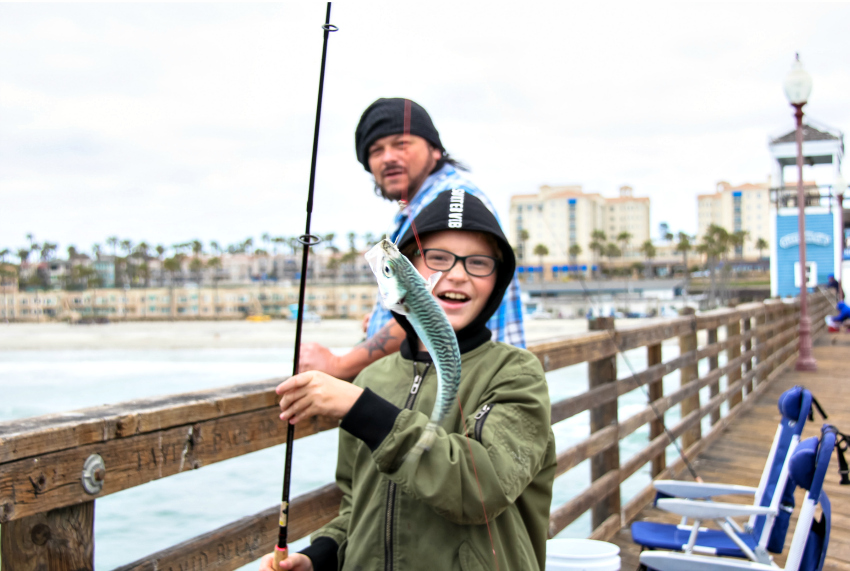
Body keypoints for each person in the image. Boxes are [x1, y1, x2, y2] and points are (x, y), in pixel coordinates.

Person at [260, 190, 556, 571]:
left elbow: (482, 489)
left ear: (498, 281)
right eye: (437, 258)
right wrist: (320, 557)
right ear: (408, 269)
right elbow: (357, 503)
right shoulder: (372, 377)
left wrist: (360, 408)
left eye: (479, 263)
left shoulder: (516, 374)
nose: (458, 274)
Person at [298, 98, 526, 380]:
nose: (388, 157)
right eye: (376, 150)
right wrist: (383, 323)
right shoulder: (417, 208)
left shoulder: (451, 203)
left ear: (434, 149)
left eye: (401, 144)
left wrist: (339, 366)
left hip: (467, 392)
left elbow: (431, 308)